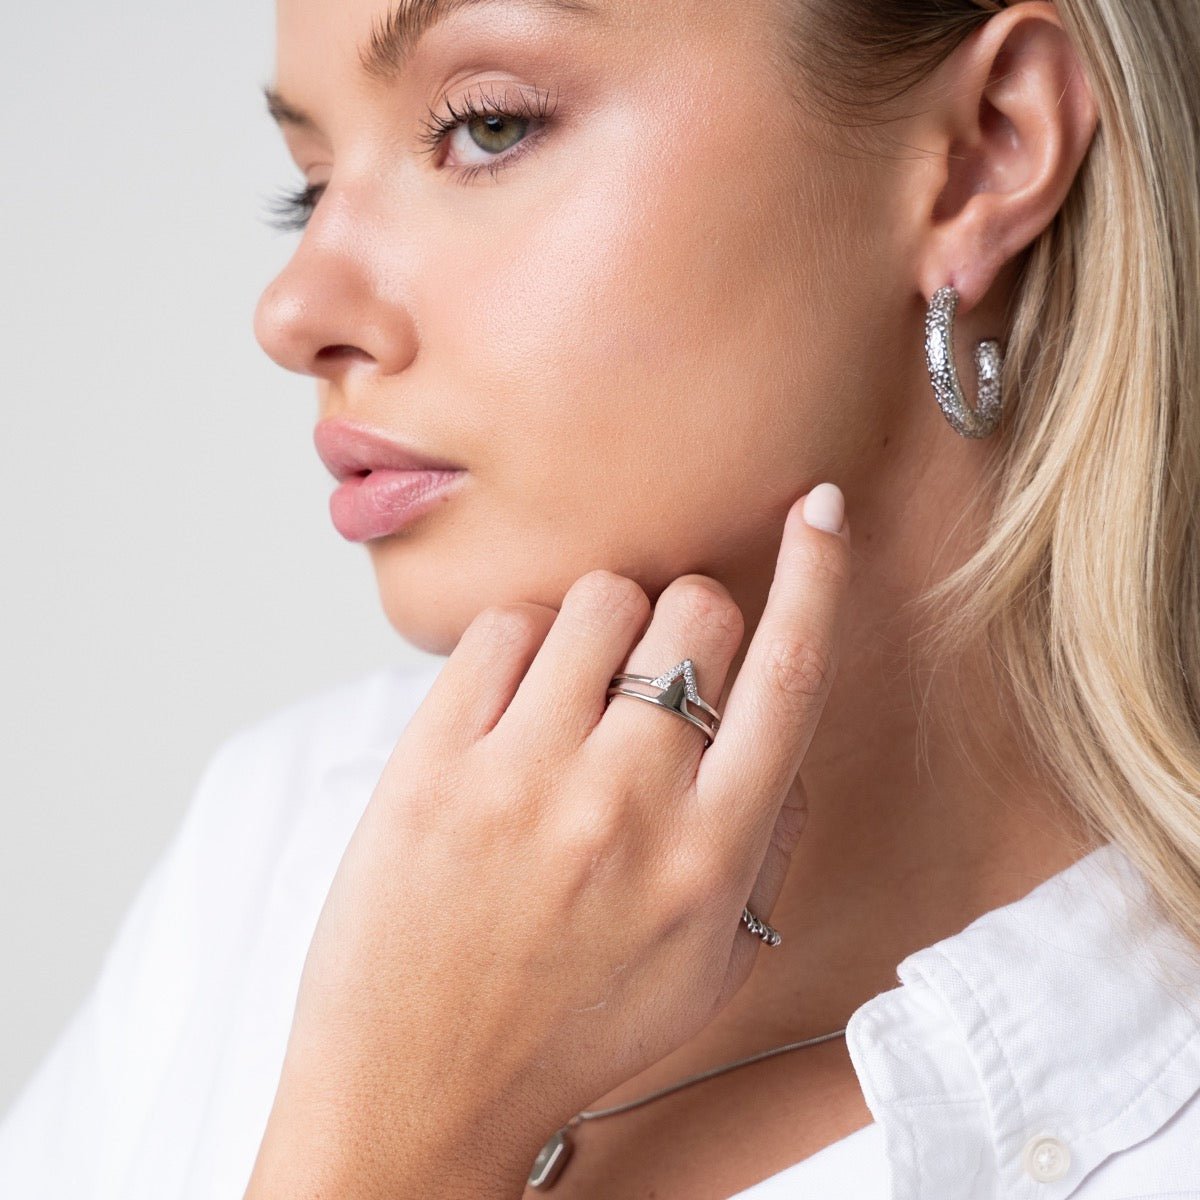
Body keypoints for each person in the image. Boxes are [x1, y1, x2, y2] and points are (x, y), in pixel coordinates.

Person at [3, 0, 1200, 1196]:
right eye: (307, 186)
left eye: (485, 127)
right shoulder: (275, 836)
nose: (292, 311)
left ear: (990, 148)